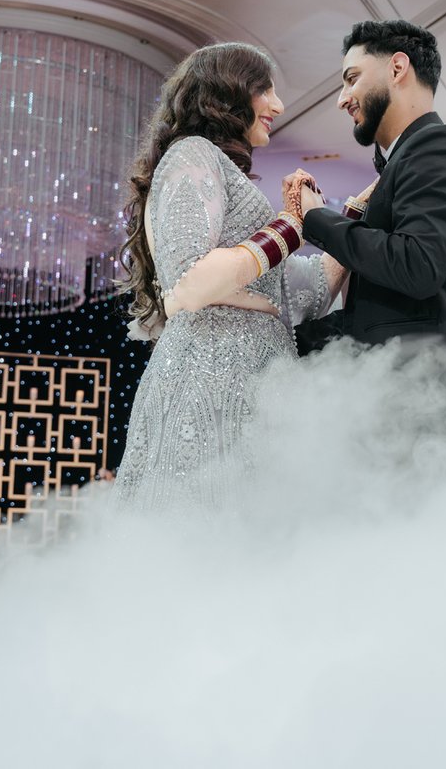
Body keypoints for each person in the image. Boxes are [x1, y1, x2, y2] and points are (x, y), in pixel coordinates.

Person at [113, 42, 347, 508]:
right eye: (266, 90)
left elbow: (302, 293)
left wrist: (357, 217)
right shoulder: (191, 153)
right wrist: (292, 225)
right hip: (209, 381)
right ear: (229, 92)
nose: (278, 105)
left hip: (251, 387)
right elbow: (192, 280)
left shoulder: (215, 168)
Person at [289, 20, 446, 385]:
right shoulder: (406, 159)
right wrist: (273, 341)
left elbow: (416, 266)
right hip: (409, 395)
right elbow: (382, 316)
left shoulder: (439, 145)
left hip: (442, 397)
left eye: (352, 78)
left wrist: (315, 217)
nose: (342, 99)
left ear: (398, 68)